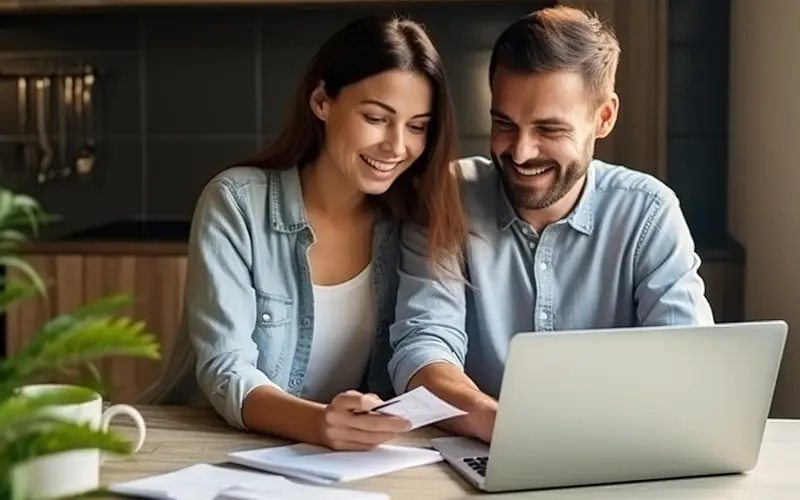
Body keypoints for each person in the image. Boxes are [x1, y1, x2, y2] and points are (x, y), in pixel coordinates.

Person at [387, 5, 715, 444]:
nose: (521, 152)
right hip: (483, 447)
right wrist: (502, 426)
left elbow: (686, 363)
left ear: (604, 118)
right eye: (504, 124)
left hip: (618, 449)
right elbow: (422, 350)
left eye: (549, 129)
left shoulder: (648, 212)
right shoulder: (448, 198)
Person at [142, 14, 468, 451]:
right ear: (321, 101)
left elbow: (426, 341)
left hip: (335, 460)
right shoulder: (236, 202)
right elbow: (226, 368)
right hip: (205, 448)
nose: (396, 146)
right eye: (376, 117)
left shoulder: (414, 221)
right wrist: (320, 425)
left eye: (417, 127)